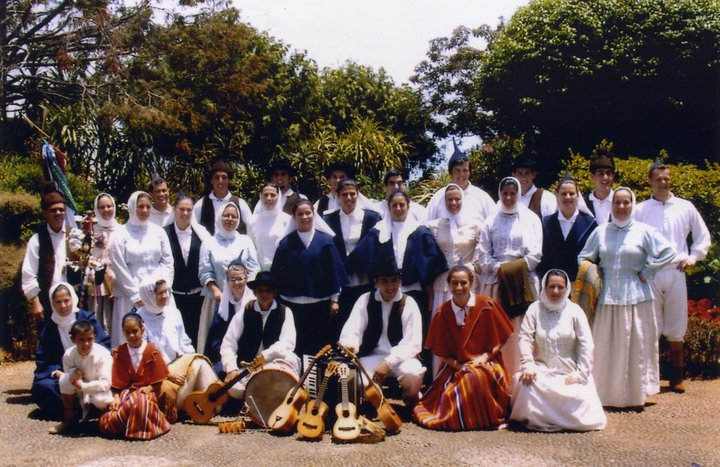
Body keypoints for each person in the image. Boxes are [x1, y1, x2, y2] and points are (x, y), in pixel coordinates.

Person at [579, 187, 675, 409]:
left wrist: (649, 271)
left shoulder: (644, 231)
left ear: (633, 204)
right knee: (605, 345)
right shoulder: (601, 231)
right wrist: (593, 273)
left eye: (626, 203)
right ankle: (603, 395)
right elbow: (584, 256)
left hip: (637, 294)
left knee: (635, 345)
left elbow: (668, 252)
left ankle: (633, 396)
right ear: (611, 205)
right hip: (606, 296)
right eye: (617, 203)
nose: (621, 207)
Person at [635, 161, 711, 393]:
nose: (663, 183)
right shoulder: (640, 210)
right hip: (652, 273)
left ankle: (677, 377)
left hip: (677, 270)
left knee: (677, 323)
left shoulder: (685, 207)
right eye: (658, 179)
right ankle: (651, 379)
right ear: (650, 181)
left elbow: (702, 236)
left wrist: (693, 257)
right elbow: (633, 240)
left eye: (666, 178)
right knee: (651, 324)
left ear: (671, 180)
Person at [413, 265, 513, 431]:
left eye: (463, 283)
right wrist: (459, 366)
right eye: (454, 283)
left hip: (487, 361)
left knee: (476, 377)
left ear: (471, 283)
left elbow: (503, 337)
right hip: (455, 365)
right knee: (463, 383)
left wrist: (485, 357)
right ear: (448, 284)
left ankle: (485, 417)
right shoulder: (442, 312)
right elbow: (439, 351)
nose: (459, 288)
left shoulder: (486, 304)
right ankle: (470, 419)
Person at [510, 269, 607, 432]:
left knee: (579, 395)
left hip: (570, 371)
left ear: (567, 288)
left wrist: (581, 373)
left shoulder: (575, 310)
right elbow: (525, 337)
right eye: (551, 286)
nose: (555, 291)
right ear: (544, 287)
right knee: (527, 384)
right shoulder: (535, 309)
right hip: (542, 370)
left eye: (560, 287)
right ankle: (538, 418)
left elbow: (587, 344)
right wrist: (528, 365)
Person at [475, 176, 542, 381]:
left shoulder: (531, 219)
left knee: (520, 330)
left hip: (521, 283)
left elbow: (536, 254)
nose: (509, 197)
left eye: (513, 193)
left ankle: (521, 377)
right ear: (500, 194)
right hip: (495, 283)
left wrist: (512, 270)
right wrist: (500, 270)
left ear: (518, 194)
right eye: (505, 193)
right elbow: (483, 253)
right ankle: (495, 379)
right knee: (496, 331)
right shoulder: (490, 221)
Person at [338, 258, 425, 406]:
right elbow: (353, 329)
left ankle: (410, 396)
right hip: (372, 356)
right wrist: (350, 345)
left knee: (413, 374)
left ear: (400, 281)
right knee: (364, 387)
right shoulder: (365, 300)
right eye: (384, 281)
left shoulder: (409, 302)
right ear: (376, 282)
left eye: (394, 281)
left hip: (401, 359)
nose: (390, 286)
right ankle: (375, 397)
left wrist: (388, 362)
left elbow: (413, 343)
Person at [136, 276, 220, 422]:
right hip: (157, 375)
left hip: (180, 364)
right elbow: (141, 357)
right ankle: (198, 404)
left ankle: (211, 404)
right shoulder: (139, 320)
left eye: (166, 291)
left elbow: (184, 343)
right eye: (160, 293)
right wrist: (167, 373)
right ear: (149, 295)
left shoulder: (173, 313)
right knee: (194, 368)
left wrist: (188, 363)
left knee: (199, 363)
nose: (166, 296)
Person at [271, 199, 349, 357]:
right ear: (294, 216)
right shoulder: (285, 244)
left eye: (308, 213)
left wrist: (335, 300)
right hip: (292, 305)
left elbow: (334, 273)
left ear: (314, 214)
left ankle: (317, 381)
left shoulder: (326, 242)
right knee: (295, 346)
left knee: (318, 348)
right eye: (300, 213)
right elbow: (277, 276)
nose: (305, 217)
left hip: (319, 306)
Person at [31, 282, 110, 418]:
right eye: (58, 302)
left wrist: (86, 369)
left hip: (92, 369)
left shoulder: (86, 319)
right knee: (42, 388)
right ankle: (79, 409)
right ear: (52, 303)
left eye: (66, 301)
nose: (63, 306)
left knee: (105, 385)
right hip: (65, 372)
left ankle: (81, 408)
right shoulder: (50, 328)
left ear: (72, 299)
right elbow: (44, 358)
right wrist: (60, 373)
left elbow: (103, 345)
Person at [220, 272, 300, 400]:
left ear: (274, 292)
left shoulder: (285, 311)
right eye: (260, 291)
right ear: (254, 292)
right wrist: (231, 369)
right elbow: (229, 343)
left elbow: (288, 342)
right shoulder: (245, 311)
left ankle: (258, 397)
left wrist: (266, 355)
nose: (264, 294)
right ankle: (262, 397)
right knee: (233, 388)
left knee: (291, 358)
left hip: (273, 363)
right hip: (248, 368)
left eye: (268, 291)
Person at [109, 191, 173, 347]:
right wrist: (137, 297)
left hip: (159, 293)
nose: (145, 210)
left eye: (147, 207)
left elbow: (168, 261)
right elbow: (119, 267)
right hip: (131, 295)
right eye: (140, 207)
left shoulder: (159, 232)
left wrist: (165, 288)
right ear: (132, 207)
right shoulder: (120, 234)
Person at [198, 202, 260, 354]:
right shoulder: (209, 242)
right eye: (226, 215)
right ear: (220, 217)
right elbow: (204, 271)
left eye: (234, 216)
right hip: (216, 300)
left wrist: (246, 295)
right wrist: (218, 293)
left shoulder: (245, 241)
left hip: (243, 300)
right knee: (215, 343)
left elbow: (254, 269)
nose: (230, 219)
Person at [323, 179, 382, 340]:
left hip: (365, 280)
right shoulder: (328, 219)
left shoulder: (372, 218)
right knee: (339, 322)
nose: (349, 198)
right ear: (338, 196)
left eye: (352, 194)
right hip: (341, 282)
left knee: (365, 320)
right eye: (344, 194)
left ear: (358, 194)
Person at [98, 313, 171, 440]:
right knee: (108, 420)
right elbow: (117, 383)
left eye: (135, 331)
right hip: (125, 393)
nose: (131, 336)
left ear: (142, 330)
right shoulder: (119, 353)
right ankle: (131, 423)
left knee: (140, 403)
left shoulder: (152, 351)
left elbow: (158, 380)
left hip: (146, 393)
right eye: (127, 332)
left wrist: (150, 388)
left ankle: (135, 429)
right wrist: (116, 397)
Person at [49, 320, 114, 434]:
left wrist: (83, 386)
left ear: (94, 337)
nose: (86, 344)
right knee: (64, 380)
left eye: (90, 339)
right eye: (81, 340)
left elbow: (106, 383)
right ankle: (69, 419)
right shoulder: (69, 354)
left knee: (101, 400)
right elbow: (68, 373)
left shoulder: (103, 354)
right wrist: (74, 371)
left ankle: (105, 420)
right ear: (73, 339)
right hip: (80, 390)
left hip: (98, 389)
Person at [427, 183, 482, 313]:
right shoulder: (431, 226)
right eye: (449, 199)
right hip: (443, 283)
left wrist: (474, 265)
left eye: (457, 199)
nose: (453, 202)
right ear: (443, 201)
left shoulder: (475, 226)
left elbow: (481, 251)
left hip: (467, 282)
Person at [22, 186, 70, 323]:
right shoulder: (37, 240)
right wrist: (35, 302)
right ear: (45, 213)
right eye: (53, 210)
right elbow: (28, 274)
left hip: (74, 301)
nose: (58, 213)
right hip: (48, 302)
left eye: (61, 209)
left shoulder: (75, 236)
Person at [165, 194, 207, 348]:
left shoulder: (201, 234)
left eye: (189, 210)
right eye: (181, 209)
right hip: (174, 297)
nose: (185, 213)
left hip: (197, 298)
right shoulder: (164, 233)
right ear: (174, 209)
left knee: (196, 337)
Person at [537, 172, 597, 282]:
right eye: (563, 193)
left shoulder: (590, 224)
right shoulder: (546, 223)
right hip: (552, 286)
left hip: (580, 285)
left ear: (578, 195)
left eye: (571, 193)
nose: (568, 197)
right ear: (557, 195)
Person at [426, 140, 496, 224]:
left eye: (465, 170)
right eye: (457, 170)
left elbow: (495, 224)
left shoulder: (482, 197)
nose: (461, 174)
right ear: (450, 173)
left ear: (470, 172)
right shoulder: (438, 197)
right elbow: (425, 225)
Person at [206, 260, 255, 375]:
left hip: (249, 355)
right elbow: (215, 338)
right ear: (227, 281)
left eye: (240, 279)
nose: (236, 283)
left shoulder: (253, 304)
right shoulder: (222, 305)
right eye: (232, 279)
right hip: (226, 353)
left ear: (246, 279)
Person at [87, 193, 120, 334]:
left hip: (117, 281)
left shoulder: (121, 229)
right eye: (102, 207)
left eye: (109, 206)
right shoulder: (90, 230)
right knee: (99, 319)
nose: (106, 210)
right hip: (98, 283)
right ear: (96, 209)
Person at [193, 159, 253, 236]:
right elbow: (193, 225)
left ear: (229, 180)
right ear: (211, 180)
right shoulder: (202, 204)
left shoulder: (240, 203)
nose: (220, 181)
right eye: (217, 177)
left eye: (224, 177)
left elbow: (251, 227)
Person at [251, 183, 292, 271]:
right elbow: (251, 247)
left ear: (279, 196)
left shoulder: (287, 220)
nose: (269, 198)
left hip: (282, 270)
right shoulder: (253, 220)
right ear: (261, 197)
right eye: (265, 195)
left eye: (273, 195)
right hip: (259, 271)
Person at [583, 150, 616, 224]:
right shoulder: (584, 203)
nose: (605, 177)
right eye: (601, 173)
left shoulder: (619, 201)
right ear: (592, 176)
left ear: (613, 176)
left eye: (608, 173)